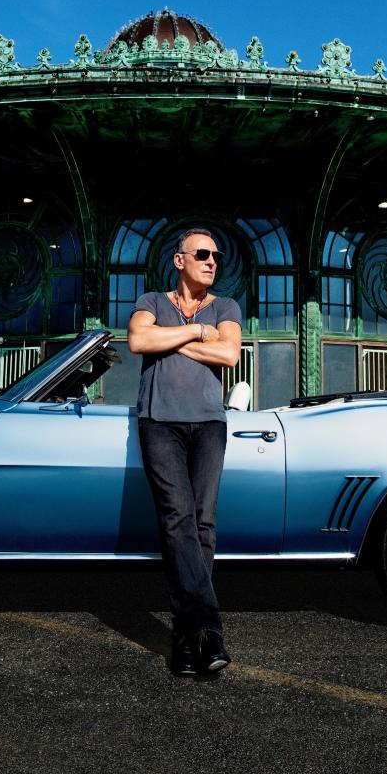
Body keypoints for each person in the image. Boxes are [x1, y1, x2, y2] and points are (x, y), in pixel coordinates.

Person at [127, 228, 242, 676]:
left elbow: (230, 354)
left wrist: (170, 338)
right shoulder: (151, 300)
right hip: (159, 422)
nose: (212, 261)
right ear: (180, 260)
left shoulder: (226, 306)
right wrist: (196, 332)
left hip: (209, 423)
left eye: (216, 255)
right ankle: (208, 630)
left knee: (203, 523)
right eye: (202, 254)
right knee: (177, 517)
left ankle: (185, 634)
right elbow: (138, 341)